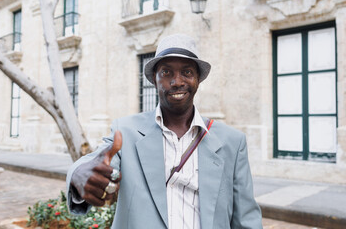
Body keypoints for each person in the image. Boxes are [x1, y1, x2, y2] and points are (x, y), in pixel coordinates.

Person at [66, 34, 263, 229]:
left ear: (198, 80)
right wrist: (78, 175)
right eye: (166, 72)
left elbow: (246, 220)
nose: (177, 81)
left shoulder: (232, 142)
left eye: (186, 72)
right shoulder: (126, 131)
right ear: (154, 79)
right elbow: (94, 161)